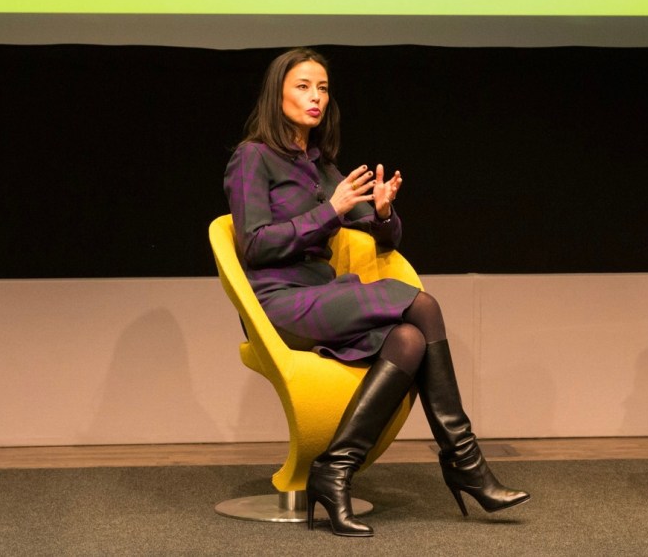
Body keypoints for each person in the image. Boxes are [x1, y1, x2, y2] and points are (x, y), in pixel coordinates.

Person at [224, 47, 529, 537]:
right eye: (303, 86)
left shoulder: (322, 166)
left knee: (407, 341)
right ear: (276, 92)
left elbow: (380, 236)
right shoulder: (252, 157)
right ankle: (464, 461)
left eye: (322, 87)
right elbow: (255, 246)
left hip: (324, 296)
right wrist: (331, 210)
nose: (315, 97)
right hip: (279, 301)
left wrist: (383, 212)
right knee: (421, 303)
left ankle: (335, 469)